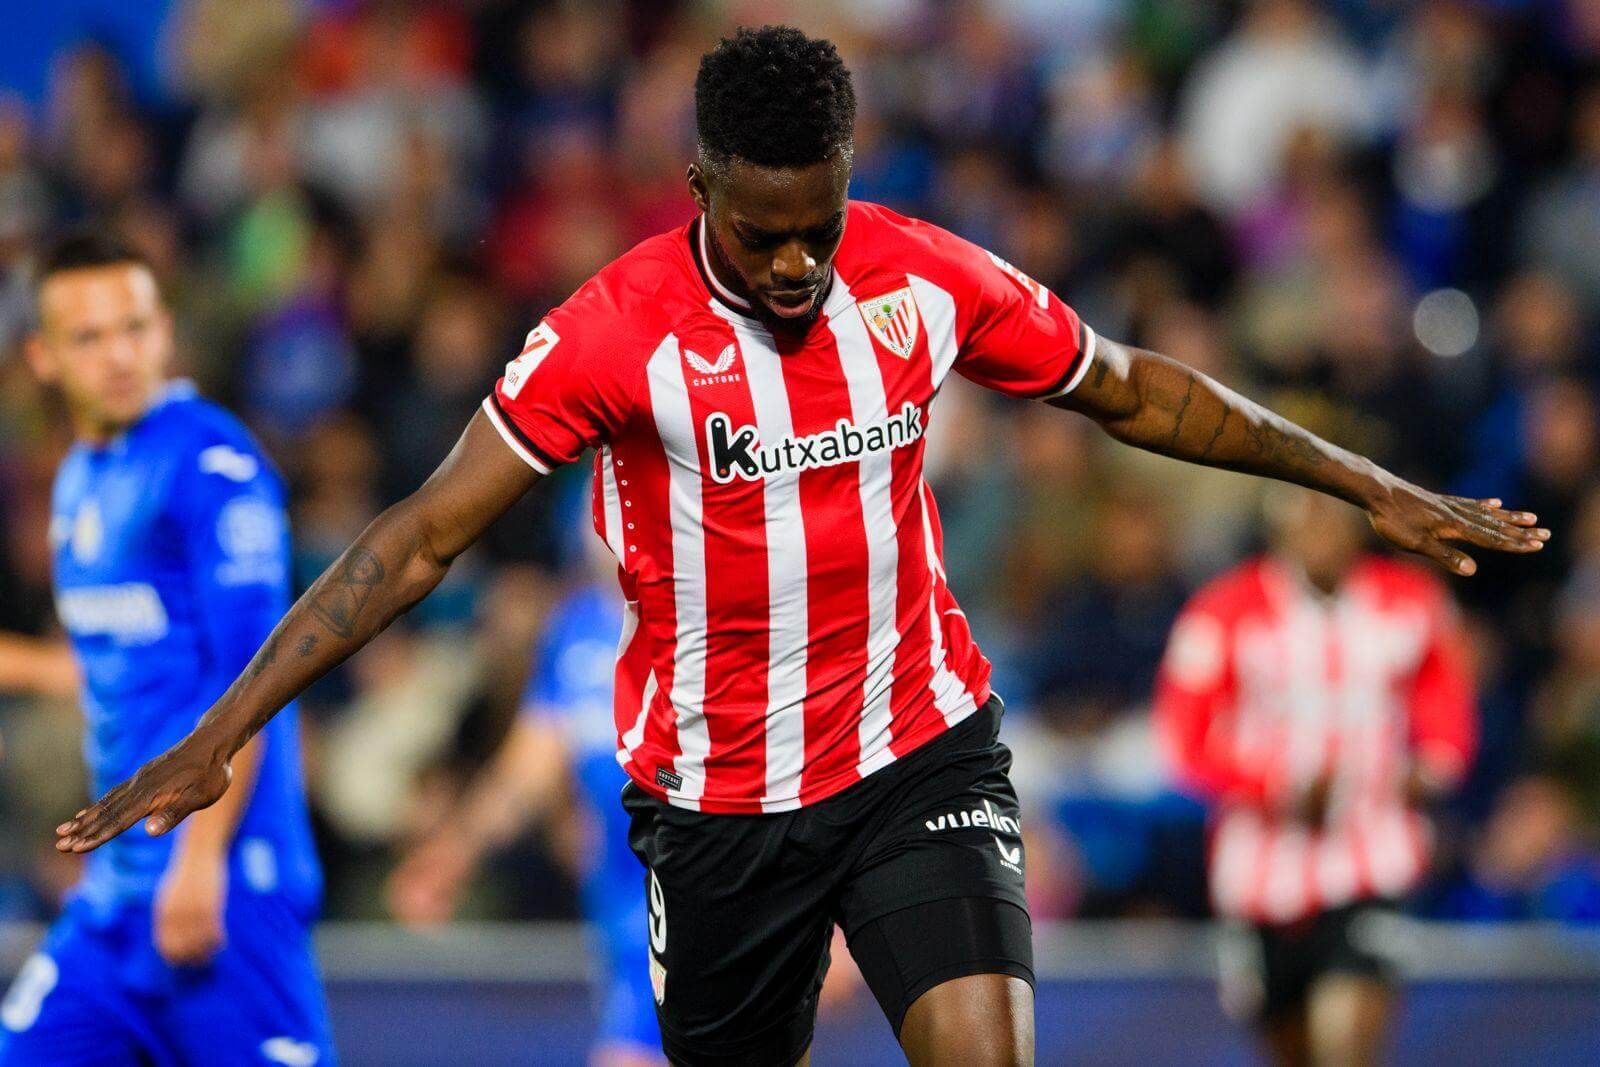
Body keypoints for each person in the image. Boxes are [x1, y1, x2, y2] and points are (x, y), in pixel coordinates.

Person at [54, 27, 1547, 1067]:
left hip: (919, 748)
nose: (796, 263)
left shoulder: (916, 275)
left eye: (819, 227)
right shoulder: (611, 333)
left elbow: (1136, 387)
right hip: (716, 802)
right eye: (765, 232)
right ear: (700, 186)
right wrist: (222, 730)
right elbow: (420, 537)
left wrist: (1365, 480)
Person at [1, 233, 334, 1066]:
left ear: (165, 331)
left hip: (222, 882)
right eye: (89, 336)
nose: (120, 354)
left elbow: (257, 676)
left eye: (137, 326)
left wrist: (199, 857)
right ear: (42, 356)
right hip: (116, 898)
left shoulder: (209, 462)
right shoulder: (82, 478)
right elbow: (123, 662)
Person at [1154, 482, 1477, 1066]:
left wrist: (1431, 767)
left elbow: (1444, 699)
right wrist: (1276, 787)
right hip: (1260, 876)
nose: (1320, 529)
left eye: (1333, 515)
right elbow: (1185, 737)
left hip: (1370, 858)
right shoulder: (1224, 610)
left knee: (1346, 1046)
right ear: (1279, 524)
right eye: (1307, 515)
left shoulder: (1409, 600)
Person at [386, 561, 665, 1067]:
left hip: (704, 887)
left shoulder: (706, 614)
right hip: (619, 903)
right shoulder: (577, 627)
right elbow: (530, 766)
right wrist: (455, 852)